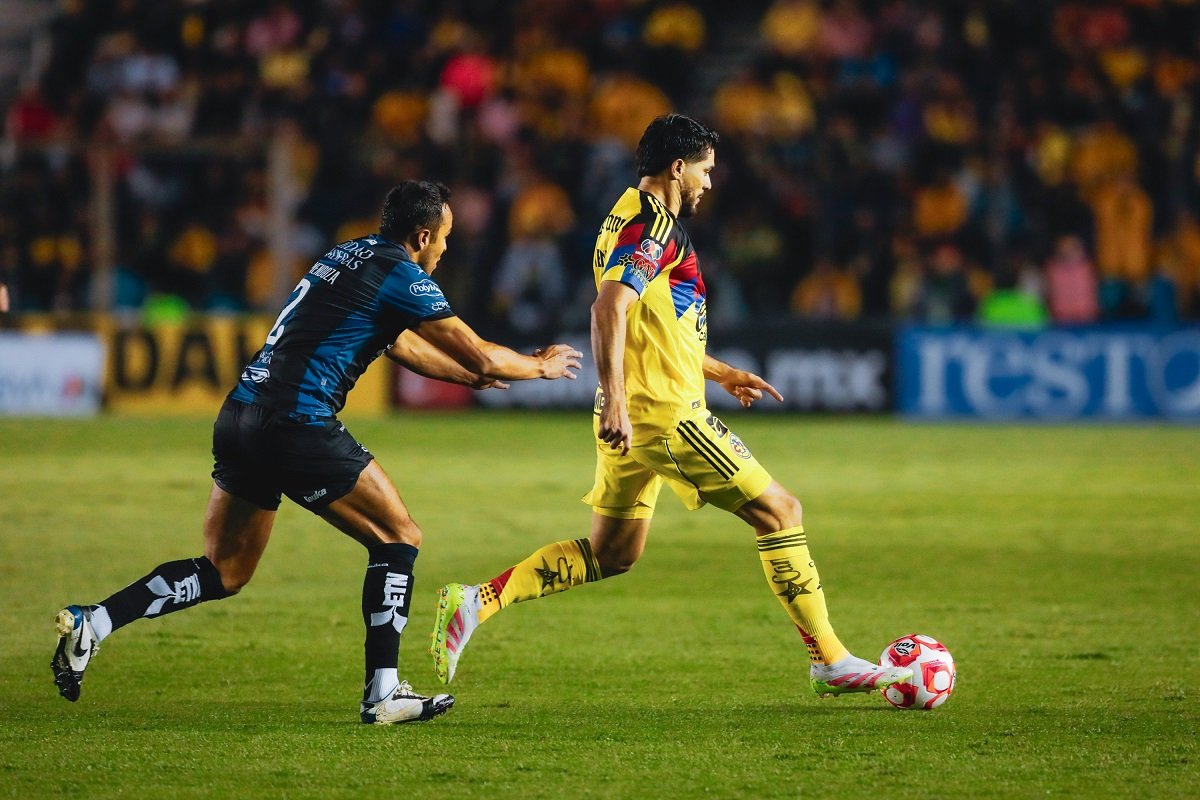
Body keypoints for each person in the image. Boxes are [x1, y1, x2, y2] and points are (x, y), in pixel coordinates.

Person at [50, 181, 583, 724]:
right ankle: (383, 692)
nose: (445, 249)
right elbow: (481, 354)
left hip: (241, 415)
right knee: (399, 536)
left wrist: (468, 378)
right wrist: (537, 366)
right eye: (444, 238)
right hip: (296, 422)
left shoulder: (346, 254)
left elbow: (401, 345)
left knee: (225, 571)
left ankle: (95, 623)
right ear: (422, 235)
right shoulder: (402, 274)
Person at [430, 115, 913, 698]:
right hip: (661, 414)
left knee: (612, 554)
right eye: (706, 170)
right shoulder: (653, 228)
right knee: (782, 511)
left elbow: (652, 322)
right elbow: (608, 310)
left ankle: (474, 603)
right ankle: (830, 660)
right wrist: (613, 400)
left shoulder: (623, 212)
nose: (710, 183)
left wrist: (721, 371)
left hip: (635, 409)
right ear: (678, 168)